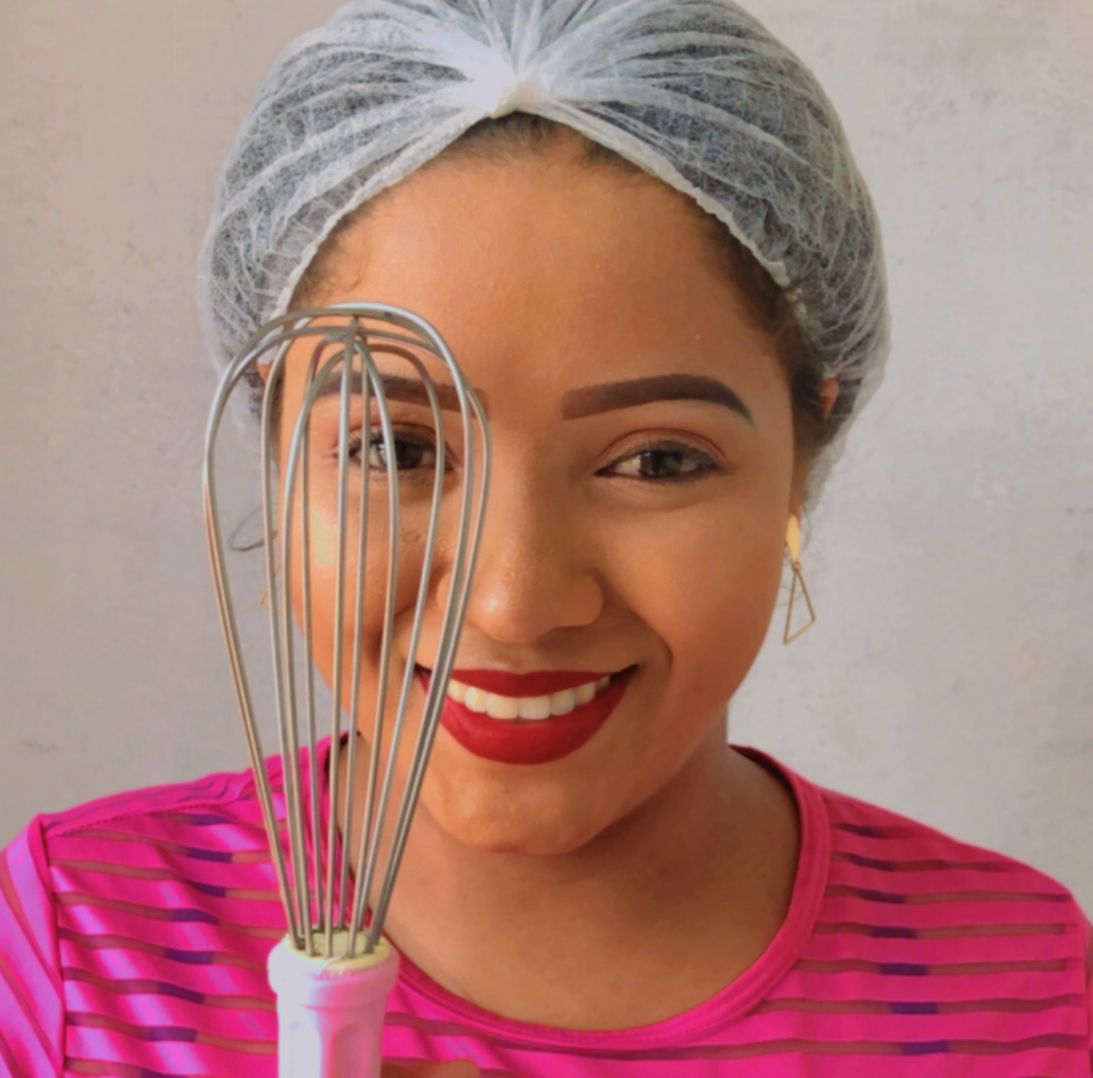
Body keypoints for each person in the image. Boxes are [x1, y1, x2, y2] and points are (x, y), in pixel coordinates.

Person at [2, 1, 1089, 1075]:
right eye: (395, 447)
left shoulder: (1025, 991)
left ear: (804, 454)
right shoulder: (66, 944)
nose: (514, 603)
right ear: (275, 445)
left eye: (655, 460)